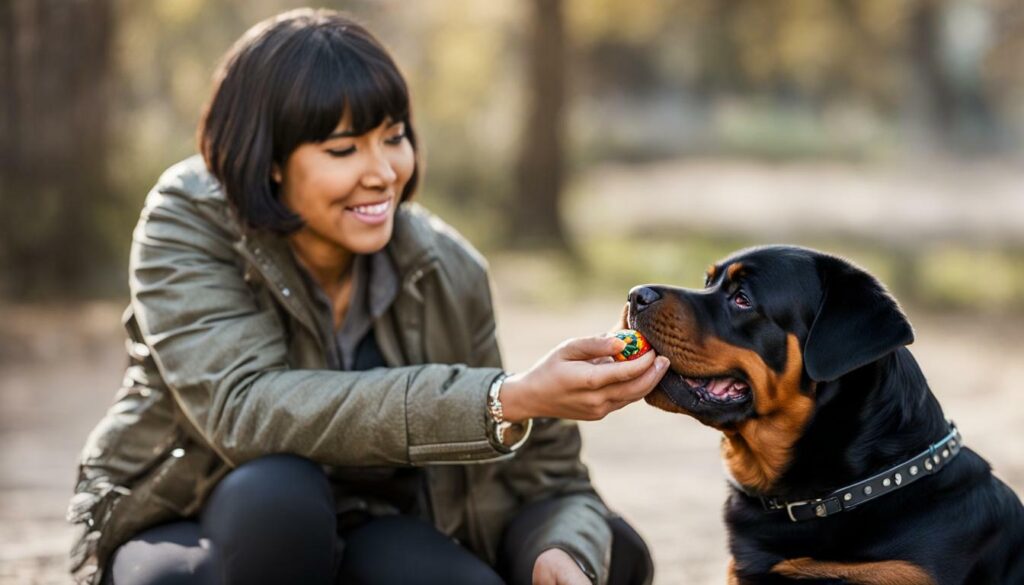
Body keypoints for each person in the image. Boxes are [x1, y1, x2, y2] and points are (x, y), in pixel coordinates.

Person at [67, 8, 669, 585]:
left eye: (394, 137)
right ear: (270, 160)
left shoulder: (444, 267)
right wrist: (499, 398)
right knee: (279, 502)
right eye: (342, 149)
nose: (382, 171)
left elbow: (552, 480)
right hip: (195, 505)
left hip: (371, 519)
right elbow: (243, 407)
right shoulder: (189, 222)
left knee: (574, 558)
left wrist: (559, 551)